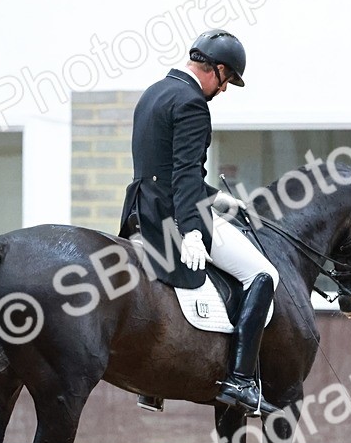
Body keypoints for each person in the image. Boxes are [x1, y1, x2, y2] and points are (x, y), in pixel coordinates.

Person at [117, 30, 279, 417]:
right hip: (173, 216)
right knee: (263, 273)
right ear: (218, 70)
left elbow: (162, 168)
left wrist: (217, 197)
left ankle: (152, 384)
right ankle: (240, 381)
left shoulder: (154, 92)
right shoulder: (192, 102)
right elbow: (185, 173)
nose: (223, 91)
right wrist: (191, 231)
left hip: (140, 211)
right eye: (227, 82)